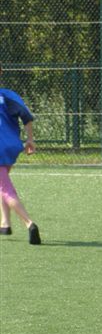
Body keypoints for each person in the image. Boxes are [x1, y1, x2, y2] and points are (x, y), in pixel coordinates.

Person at [0, 64, 41, 245]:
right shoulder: (9, 95)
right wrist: (30, 139)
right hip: (11, 146)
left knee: (5, 189)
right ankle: (5, 223)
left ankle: (29, 223)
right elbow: (26, 116)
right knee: (3, 182)